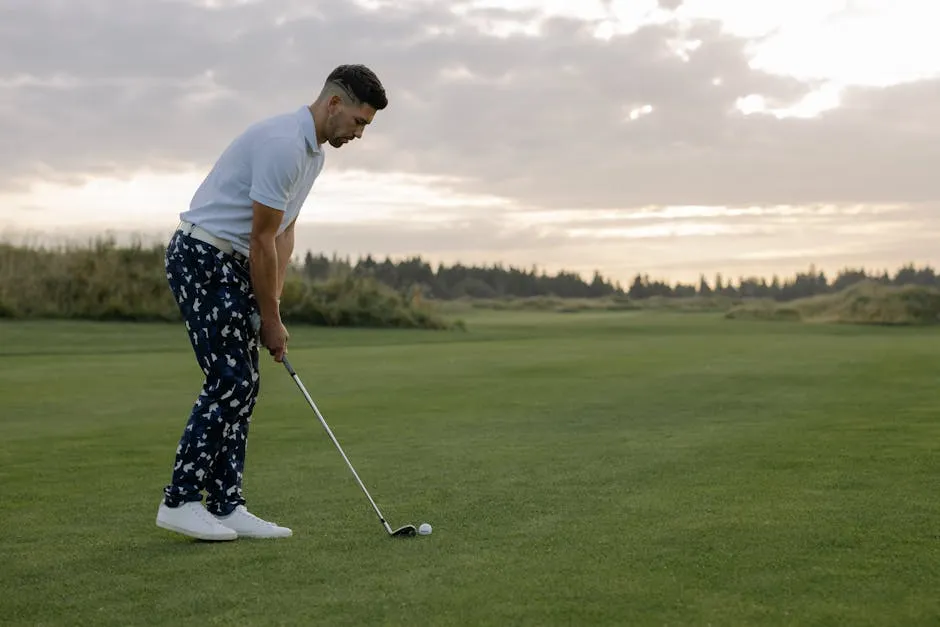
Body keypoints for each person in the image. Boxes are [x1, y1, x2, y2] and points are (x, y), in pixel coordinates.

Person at [155, 64, 388, 541]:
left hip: (231, 262)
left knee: (245, 386)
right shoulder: (284, 144)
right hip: (201, 256)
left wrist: (272, 309)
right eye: (359, 122)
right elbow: (261, 239)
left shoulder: (313, 156)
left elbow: (283, 235)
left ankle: (225, 504)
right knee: (229, 380)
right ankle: (179, 500)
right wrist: (271, 317)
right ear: (334, 104)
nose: (359, 134)